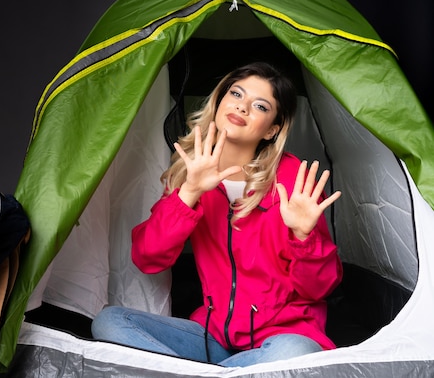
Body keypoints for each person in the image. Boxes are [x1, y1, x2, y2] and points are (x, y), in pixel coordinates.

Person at [91, 62, 343, 368]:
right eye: (236, 93)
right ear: (220, 100)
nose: (242, 106)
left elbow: (318, 289)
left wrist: (304, 236)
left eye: (260, 106)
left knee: (297, 355)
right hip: (214, 339)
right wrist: (188, 193)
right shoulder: (192, 171)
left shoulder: (292, 180)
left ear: (272, 129)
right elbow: (148, 257)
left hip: (281, 339)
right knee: (110, 322)